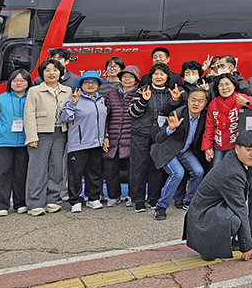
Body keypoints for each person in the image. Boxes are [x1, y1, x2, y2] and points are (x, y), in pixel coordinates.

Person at [184, 130, 252, 262]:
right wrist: (247, 246)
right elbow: (240, 208)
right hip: (202, 220)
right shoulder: (231, 172)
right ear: (237, 149)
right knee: (234, 220)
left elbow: (249, 182)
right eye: (249, 149)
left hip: (215, 209)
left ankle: (244, 236)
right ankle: (209, 248)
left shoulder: (236, 160)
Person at [128, 63, 182, 213]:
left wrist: (174, 101)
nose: (159, 77)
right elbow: (132, 113)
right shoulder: (142, 90)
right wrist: (143, 100)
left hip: (160, 136)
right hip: (141, 134)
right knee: (138, 167)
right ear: (150, 77)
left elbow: (170, 114)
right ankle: (138, 200)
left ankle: (154, 198)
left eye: (162, 74)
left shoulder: (170, 92)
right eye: (156, 74)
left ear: (167, 77)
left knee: (157, 168)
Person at [151, 89, 208, 221]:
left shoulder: (205, 115)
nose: (196, 104)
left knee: (199, 172)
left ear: (205, 103)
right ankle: (161, 206)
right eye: (193, 100)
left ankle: (188, 201)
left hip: (185, 150)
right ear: (188, 101)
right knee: (177, 173)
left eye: (200, 101)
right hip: (167, 150)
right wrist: (170, 129)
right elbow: (158, 138)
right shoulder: (177, 113)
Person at [24, 59, 72, 216]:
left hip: (60, 133)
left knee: (57, 168)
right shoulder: (34, 91)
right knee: (37, 169)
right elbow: (29, 114)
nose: (52, 73)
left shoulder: (67, 90)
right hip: (41, 134)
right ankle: (35, 203)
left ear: (60, 73)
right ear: (42, 73)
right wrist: (32, 136)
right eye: (47, 70)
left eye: (55, 70)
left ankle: (52, 200)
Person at [60, 71, 108, 213]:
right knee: (75, 174)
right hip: (78, 144)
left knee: (94, 172)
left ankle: (93, 198)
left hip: (96, 143)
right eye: (87, 82)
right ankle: (75, 200)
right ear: (81, 84)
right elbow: (64, 117)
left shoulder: (101, 99)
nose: (90, 85)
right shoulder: (75, 98)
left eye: (94, 82)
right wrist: (73, 104)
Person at [0, 69, 31, 216]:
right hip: (2, 143)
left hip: (25, 143)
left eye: (22, 80)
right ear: (10, 82)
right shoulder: (0, 99)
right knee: (1, 174)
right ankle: (0, 206)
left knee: (22, 174)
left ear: (28, 82)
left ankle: (21, 203)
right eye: (15, 80)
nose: (18, 83)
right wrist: (1, 129)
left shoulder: (32, 98)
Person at [203, 73, 252, 167]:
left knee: (231, 169)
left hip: (234, 145)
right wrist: (207, 147)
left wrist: (247, 103)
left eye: (227, 84)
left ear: (234, 86)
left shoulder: (240, 98)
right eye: (221, 85)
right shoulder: (213, 104)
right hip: (218, 145)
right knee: (216, 169)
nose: (224, 88)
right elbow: (209, 127)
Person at [103, 65, 139, 207]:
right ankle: (113, 196)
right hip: (113, 137)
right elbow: (106, 116)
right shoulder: (111, 94)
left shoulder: (140, 93)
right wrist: (105, 135)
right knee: (110, 169)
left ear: (135, 80)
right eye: (124, 77)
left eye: (130, 77)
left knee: (133, 170)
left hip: (131, 137)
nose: (127, 79)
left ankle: (132, 195)